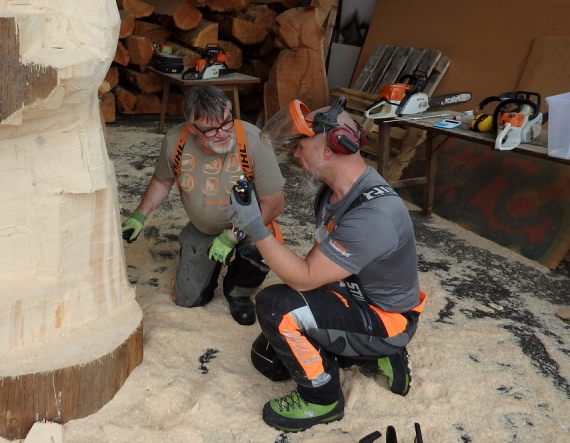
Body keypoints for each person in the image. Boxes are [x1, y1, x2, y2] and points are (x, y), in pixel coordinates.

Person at [229, 97, 426, 433]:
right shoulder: (334, 194)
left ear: (331, 146)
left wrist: (255, 227)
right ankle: (360, 352)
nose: (295, 154)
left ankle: (323, 399)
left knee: (275, 306)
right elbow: (316, 264)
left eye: (300, 145)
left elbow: (304, 279)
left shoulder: (373, 215)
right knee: (268, 360)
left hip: (387, 318)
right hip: (353, 295)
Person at [122, 85, 285, 325]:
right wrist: (140, 215)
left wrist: (233, 235)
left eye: (226, 122)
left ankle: (238, 292)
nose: (222, 133)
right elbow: (162, 181)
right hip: (203, 229)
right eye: (210, 129)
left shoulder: (254, 141)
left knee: (259, 250)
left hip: (249, 225)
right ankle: (200, 259)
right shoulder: (175, 141)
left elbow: (274, 203)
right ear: (191, 128)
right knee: (188, 300)